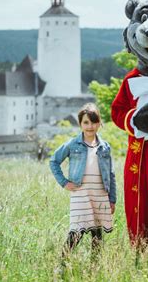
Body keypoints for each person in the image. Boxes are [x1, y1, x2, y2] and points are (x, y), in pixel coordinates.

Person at [49, 103, 116, 260]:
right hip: (80, 193)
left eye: (93, 122)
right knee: (76, 231)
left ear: (99, 123)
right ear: (80, 124)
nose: (90, 126)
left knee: (97, 235)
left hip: (100, 194)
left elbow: (111, 174)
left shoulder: (105, 147)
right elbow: (53, 161)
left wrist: (112, 199)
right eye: (86, 122)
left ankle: (94, 268)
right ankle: (62, 264)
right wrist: (64, 182)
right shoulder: (73, 144)